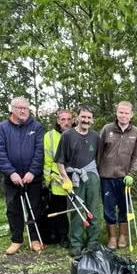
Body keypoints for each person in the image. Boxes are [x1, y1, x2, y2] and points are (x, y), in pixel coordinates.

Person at [0, 96, 44, 255]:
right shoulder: (3, 128)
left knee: (34, 208)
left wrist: (32, 172)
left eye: (26, 108)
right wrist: (11, 173)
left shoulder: (36, 127)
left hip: (32, 178)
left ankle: (34, 239)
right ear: (12, 109)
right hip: (12, 179)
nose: (23, 111)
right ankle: (16, 240)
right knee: (13, 209)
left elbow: (40, 152)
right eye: (19, 108)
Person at [55, 105, 102, 257]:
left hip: (91, 176)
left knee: (93, 209)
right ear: (77, 118)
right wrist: (65, 178)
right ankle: (76, 243)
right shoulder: (67, 136)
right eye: (83, 117)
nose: (86, 120)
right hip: (73, 178)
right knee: (76, 211)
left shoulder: (95, 137)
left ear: (92, 120)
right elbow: (60, 161)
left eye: (89, 117)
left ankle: (93, 242)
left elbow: (98, 159)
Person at [97, 101, 137, 249]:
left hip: (125, 178)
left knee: (124, 207)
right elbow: (98, 153)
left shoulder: (136, 133)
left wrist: (131, 174)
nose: (123, 115)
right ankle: (112, 237)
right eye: (121, 112)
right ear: (116, 113)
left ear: (131, 115)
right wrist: (97, 172)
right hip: (107, 176)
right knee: (108, 207)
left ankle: (123, 235)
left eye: (126, 113)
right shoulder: (107, 129)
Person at [38, 108, 74, 246]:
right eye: (63, 119)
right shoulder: (50, 136)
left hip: (75, 177)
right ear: (58, 121)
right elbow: (47, 159)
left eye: (69, 119)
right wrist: (47, 180)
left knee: (76, 209)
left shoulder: (76, 134)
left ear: (73, 121)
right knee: (60, 210)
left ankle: (77, 236)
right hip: (57, 179)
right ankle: (62, 236)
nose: (66, 122)